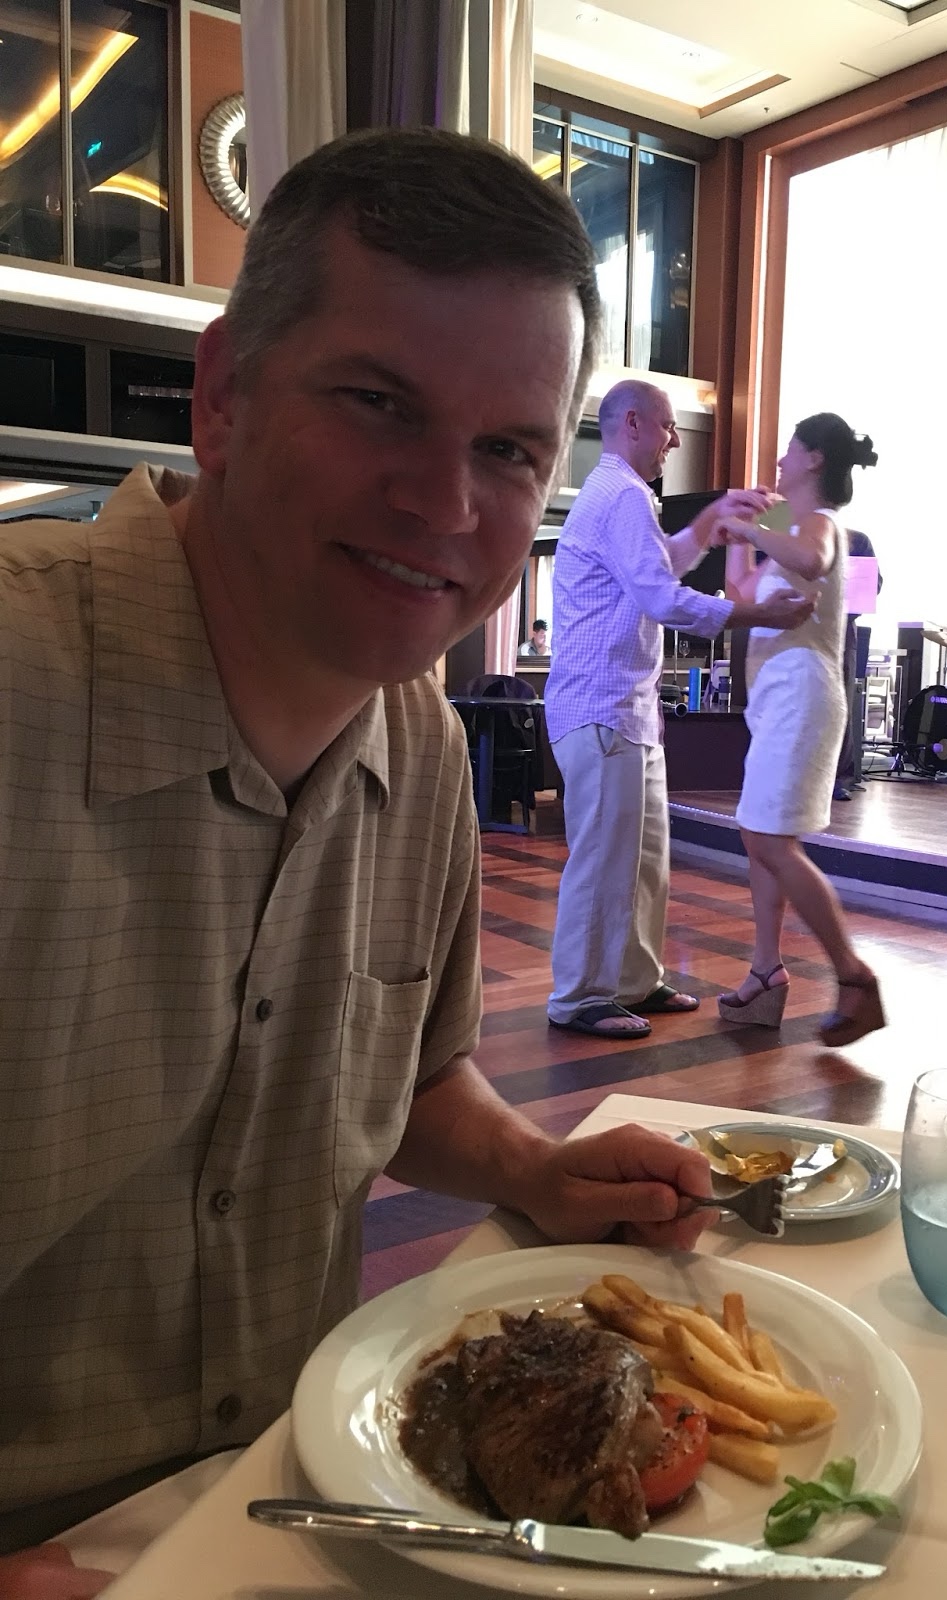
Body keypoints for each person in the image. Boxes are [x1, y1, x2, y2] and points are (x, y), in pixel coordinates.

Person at [0, 130, 719, 1583]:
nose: (446, 504)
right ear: (222, 396)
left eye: (507, 450)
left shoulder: (426, 749)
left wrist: (534, 1166)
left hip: (302, 1497)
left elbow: (411, 1082)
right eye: (378, 403)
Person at [544, 379, 814, 1040]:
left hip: (625, 710)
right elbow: (664, 599)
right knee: (603, 860)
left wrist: (708, 523)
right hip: (601, 705)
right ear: (633, 423)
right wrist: (757, 613)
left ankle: (633, 980)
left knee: (643, 859)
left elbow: (659, 566)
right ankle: (579, 997)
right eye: (668, 427)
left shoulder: (623, 495)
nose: (674, 441)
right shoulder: (621, 494)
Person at [716, 413, 885, 1047]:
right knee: (760, 836)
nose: (780, 461)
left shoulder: (820, 523)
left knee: (770, 840)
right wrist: (738, 531)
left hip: (802, 696)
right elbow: (740, 592)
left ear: (813, 458)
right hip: (776, 700)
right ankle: (766, 971)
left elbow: (811, 561)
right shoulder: (787, 528)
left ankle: (855, 976)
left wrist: (748, 524)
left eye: (789, 449)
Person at [832, 529, 882, 801]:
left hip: (839, 633)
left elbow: (871, 584)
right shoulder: (788, 538)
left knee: (839, 706)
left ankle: (840, 777)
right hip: (794, 633)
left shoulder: (856, 540)